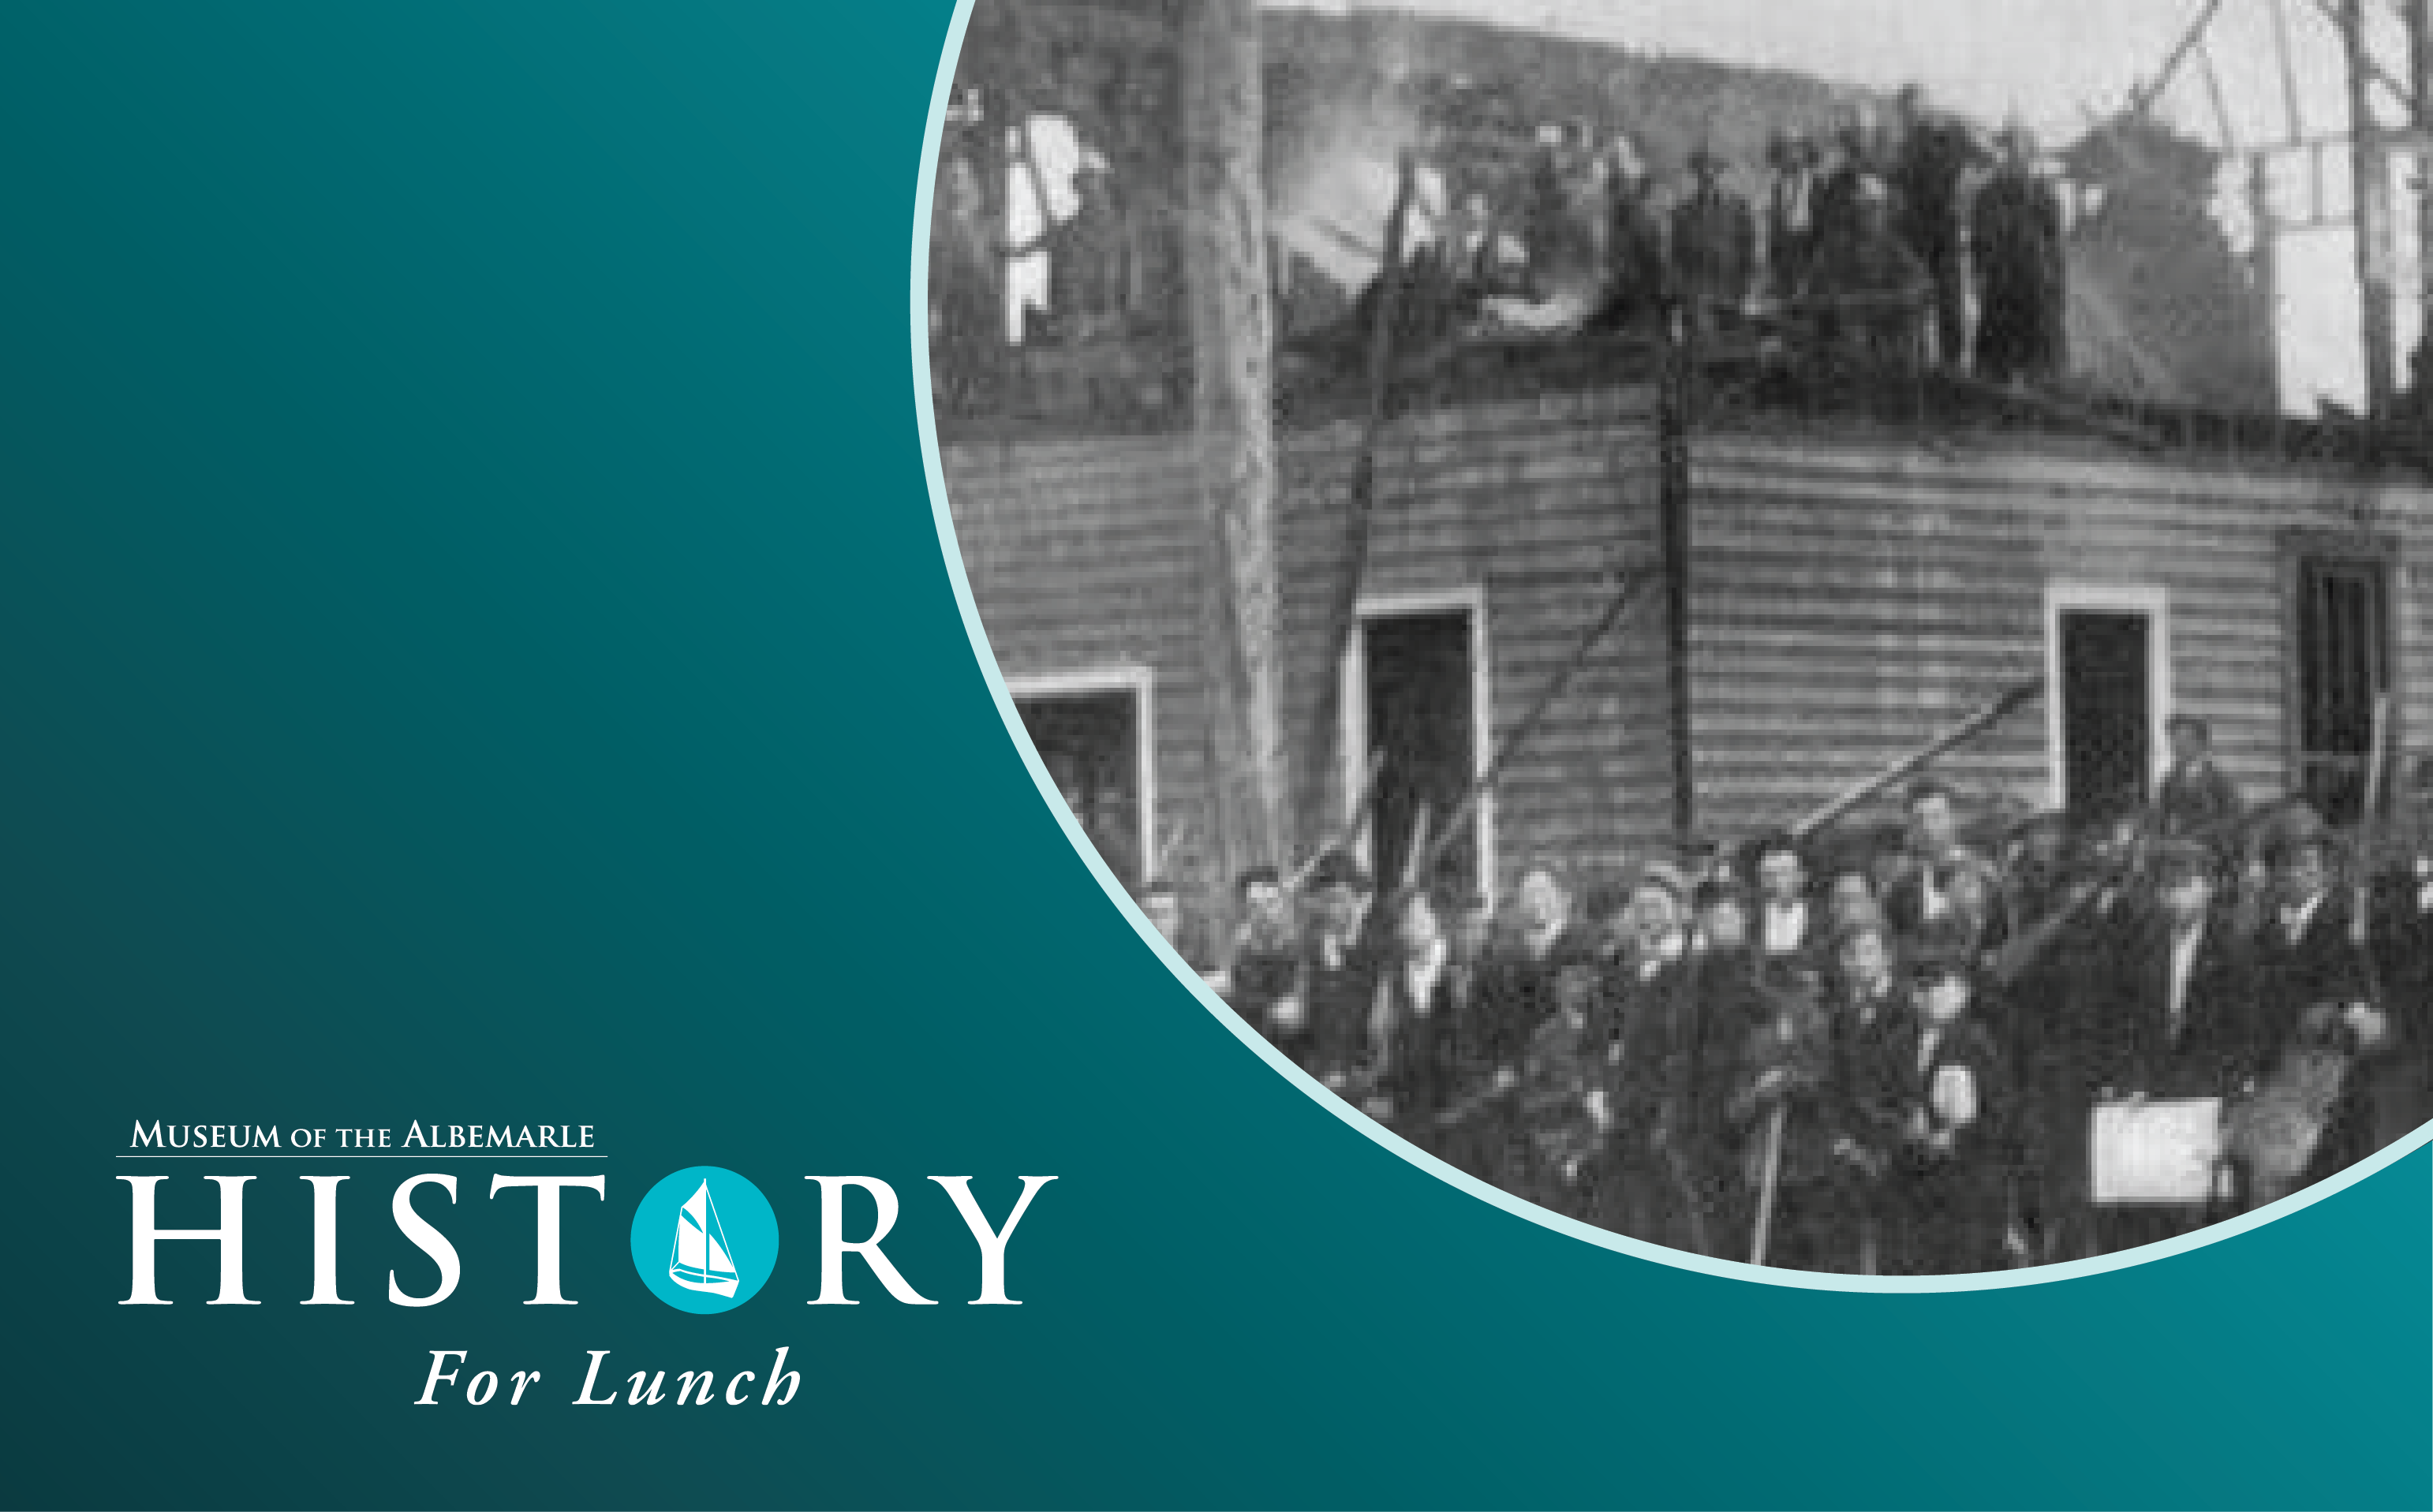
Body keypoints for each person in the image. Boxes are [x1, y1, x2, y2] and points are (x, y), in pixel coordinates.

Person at [2088, 838, 2255, 1253]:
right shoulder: (2139, 943)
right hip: (2148, 1094)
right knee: (2147, 1207)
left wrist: (2227, 1093)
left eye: (2185, 885)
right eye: (2165, 886)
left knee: (2202, 1209)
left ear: (2208, 888)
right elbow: (2120, 1020)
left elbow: (2243, 1030)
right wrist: (2128, 1078)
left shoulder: (2234, 947)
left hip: (2206, 1094)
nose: (2174, 896)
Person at [1856, 946, 2017, 1273]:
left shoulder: (1979, 1046)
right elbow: (1872, 1103)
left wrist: (1957, 1139)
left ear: (1961, 993)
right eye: (1922, 987)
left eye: (1939, 986)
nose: (1929, 996)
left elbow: (2002, 1115)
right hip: (1907, 1179)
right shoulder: (1896, 1045)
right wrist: (1901, 1127)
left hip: (1963, 1182)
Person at [1889, 84, 1983, 369]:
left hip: (1945, 227)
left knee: (1950, 298)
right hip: (1915, 230)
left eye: (1914, 109)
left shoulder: (1951, 135)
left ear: (1926, 107)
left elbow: (1983, 160)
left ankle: (1951, 363)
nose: (1910, 115)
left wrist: (1965, 194)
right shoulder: (1906, 146)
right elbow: (1898, 179)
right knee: (1915, 298)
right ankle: (1919, 360)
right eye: (1905, 111)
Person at [1968, 123, 2066, 385]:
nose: (2012, 158)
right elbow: (1978, 244)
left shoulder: (2043, 195)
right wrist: (1980, 277)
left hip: (2035, 284)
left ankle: (2043, 393)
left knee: (2041, 361)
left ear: (2029, 156)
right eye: (2008, 151)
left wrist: (2057, 287)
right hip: (2000, 286)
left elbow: (2055, 246)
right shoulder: (1987, 196)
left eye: (2019, 152)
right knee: (1996, 359)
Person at [1669, 146, 1755, 337]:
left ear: (1720, 174)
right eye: (1702, 173)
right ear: (1696, 176)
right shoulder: (1682, 213)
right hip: (1697, 295)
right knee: (1702, 348)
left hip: (1731, 292)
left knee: (1734, 350)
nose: (1708, 178)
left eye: (1713, 172)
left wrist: (1744, 290)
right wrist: (1683, 294)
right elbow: (1676, 257)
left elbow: (1748, 252)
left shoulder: (1738, 209)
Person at [1224, 865, 1302, 1046]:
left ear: (1283, 902)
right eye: (1254, 907)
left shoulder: (1303, 947)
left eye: (1271, 903)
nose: (1264, 913)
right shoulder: (1243, 949)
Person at [2156, 715, 2242, 844]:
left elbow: (2233, 818)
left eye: (2185, 739)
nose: (2179, 746)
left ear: (2200, 743)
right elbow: (2161, 816)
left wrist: (2202, 836)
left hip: (2209, 850)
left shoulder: (2217, 780)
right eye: (2175, 740)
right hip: (2174, 849)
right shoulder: (2170, 780)